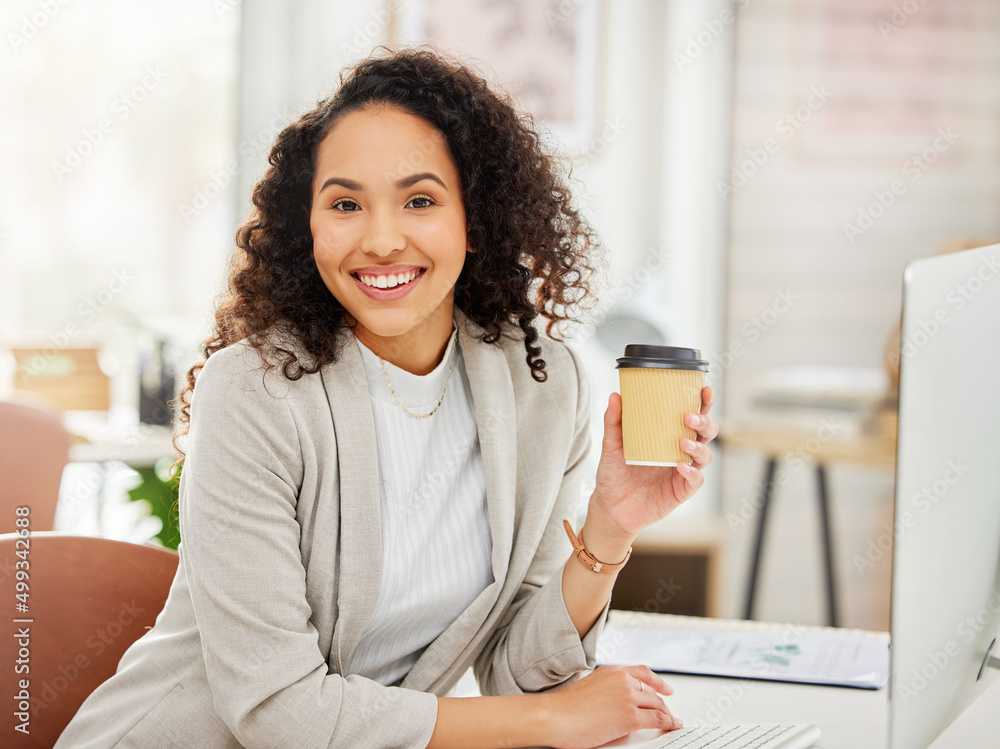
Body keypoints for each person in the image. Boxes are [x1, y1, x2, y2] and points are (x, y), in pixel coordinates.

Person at [55, 46, 718, 749]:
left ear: (476, 219)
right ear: (307, 225)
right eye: (345, 203)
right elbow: (282, 711)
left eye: (420, 200)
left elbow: (520, 672)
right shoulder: (255, 393)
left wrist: (610, 528)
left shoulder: (545, 387)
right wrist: (556, 719)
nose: (380, 238)